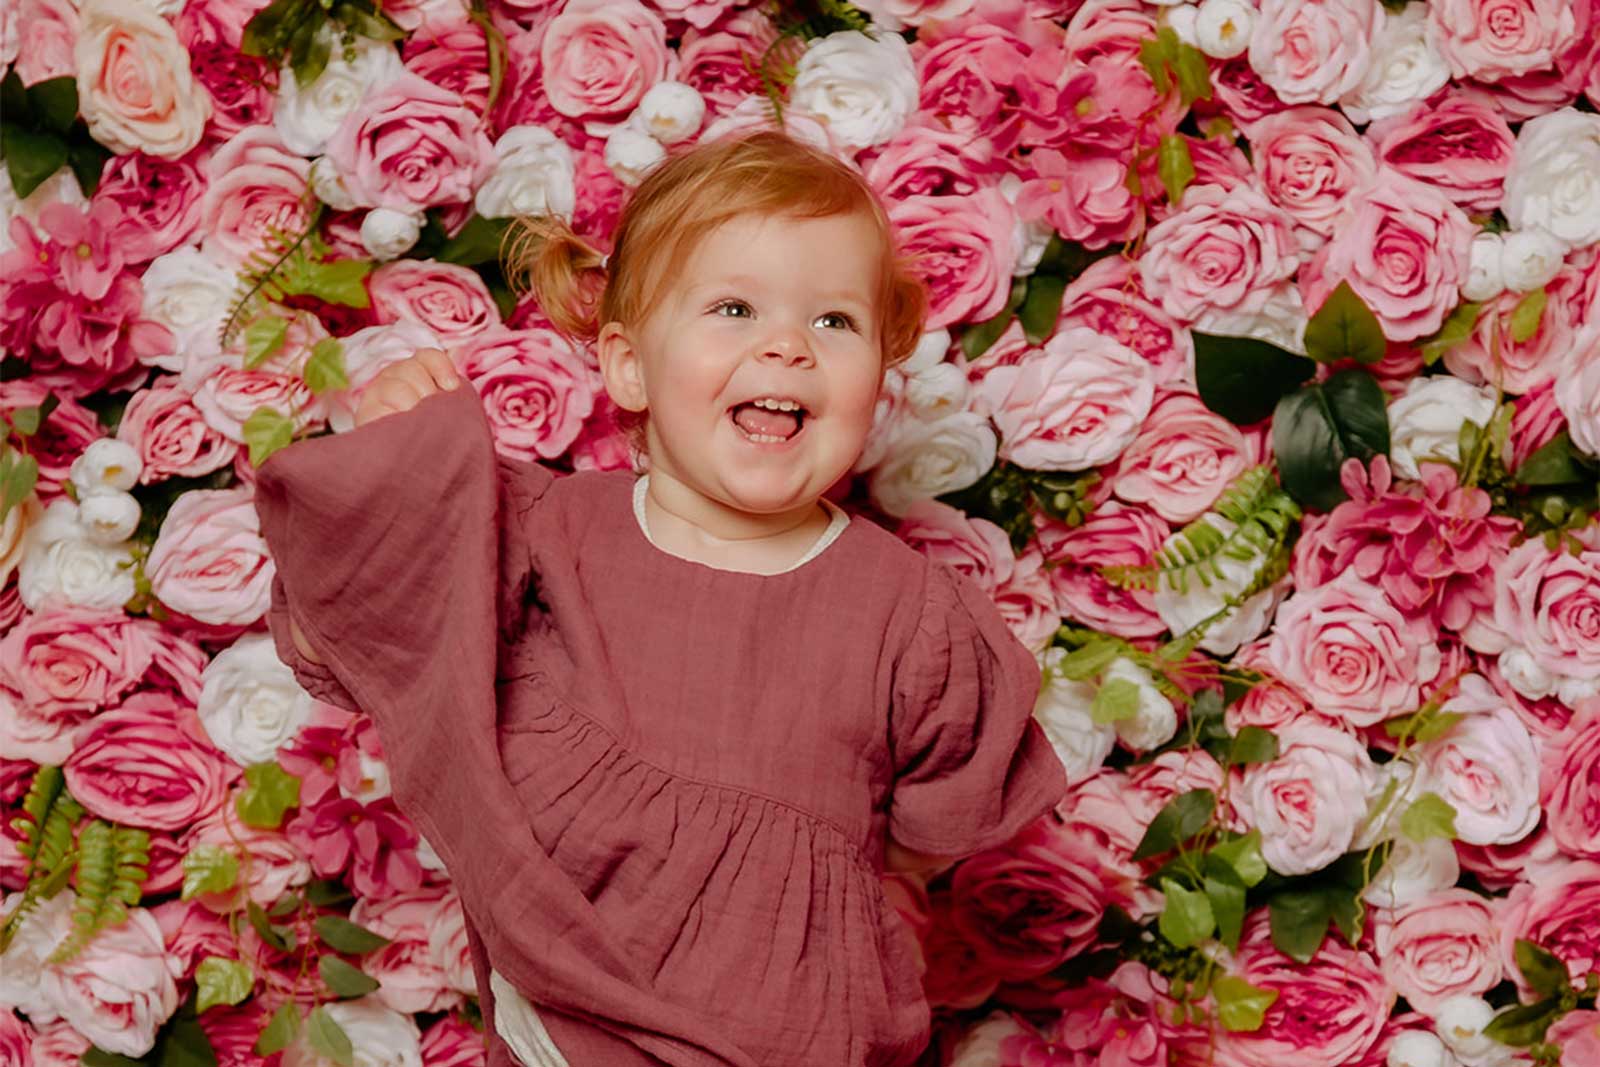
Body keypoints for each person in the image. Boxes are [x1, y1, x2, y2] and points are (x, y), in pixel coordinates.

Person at [252, 131, 1068, 1067]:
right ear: (629, 365)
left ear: (881, 374)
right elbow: (369, 625)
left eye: (836, 321)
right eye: (735, 308)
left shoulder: (908, 611)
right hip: (573, 1021)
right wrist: (394, 458)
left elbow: (937, 827)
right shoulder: (543, 534)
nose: (788, 345)